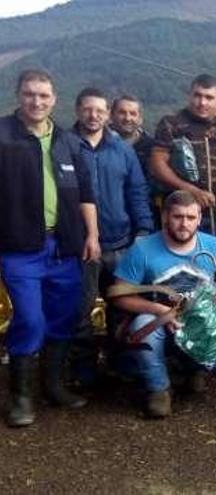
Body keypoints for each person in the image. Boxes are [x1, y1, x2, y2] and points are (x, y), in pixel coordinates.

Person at [0, 69, 100, 427]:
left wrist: (92, 235)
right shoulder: (3, 135)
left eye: (43, 95)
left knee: (63, 318)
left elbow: (86, 193)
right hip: (19, 246)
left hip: (66, 246)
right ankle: (21, 398)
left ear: (54, 99)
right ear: (18, 95)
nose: (37, 101)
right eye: (30, 94)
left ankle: (53, 387)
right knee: (29, 318)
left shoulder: (67, 141)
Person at [111, 190, 216, 418]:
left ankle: (192, 369)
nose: (184, 224)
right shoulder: (143, 249)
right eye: (178, 217)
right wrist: (158, 309)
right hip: (159, 320)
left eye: (190, 218)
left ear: (199, 219)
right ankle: (158, 389)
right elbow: (118, 294)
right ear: (165, 216)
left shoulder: (214, 246)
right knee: (143, 326)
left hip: (202, 322)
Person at [72, 87, 154, 383]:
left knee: (122, 308)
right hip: (81, 246)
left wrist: (143, 231)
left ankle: (122, 366)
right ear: (77, 111)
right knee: (80, 310)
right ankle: (84, 370)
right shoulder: (66, 145)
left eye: (99, 110)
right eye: (87, 109)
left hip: (121, 243)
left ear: (107, 115)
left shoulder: (122, 150)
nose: (93, 115)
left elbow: (137, 192)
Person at [150, 74, 216, 242]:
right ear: (190, 95)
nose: (202, 103)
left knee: (214, 261)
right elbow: (157, 165)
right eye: (197, 95)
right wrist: (192, 190)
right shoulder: (171, 123)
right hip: (182, 214)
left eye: (209, 97)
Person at [110, 94, 161, 227]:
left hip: (146, 215)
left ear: (140, 118)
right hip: (111, 217)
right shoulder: (99, 144)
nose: (128, 118)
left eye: (133, 113)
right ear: (111, 115)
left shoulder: (153, 147)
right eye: (122, 113)